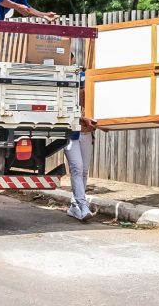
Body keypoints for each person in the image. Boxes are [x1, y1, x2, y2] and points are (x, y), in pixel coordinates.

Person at [65, 70, 97, 222]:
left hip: (86, 134)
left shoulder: (86, 77)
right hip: (71, 134)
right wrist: (82, 117)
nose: (83, 90)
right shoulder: (65, 84)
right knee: (77, 168)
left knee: (84, 170)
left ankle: (74, 205)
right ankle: (82, 206)